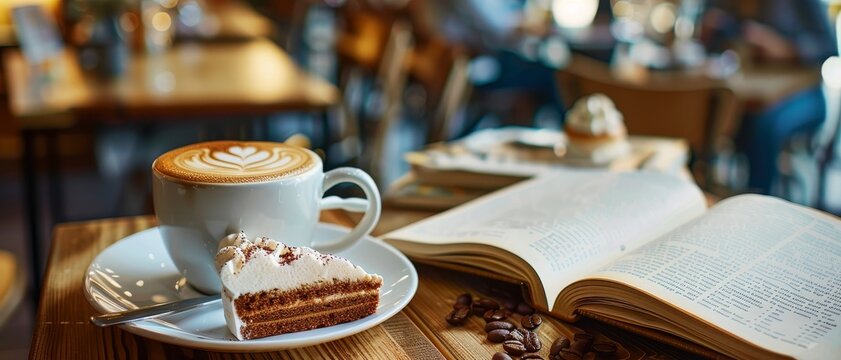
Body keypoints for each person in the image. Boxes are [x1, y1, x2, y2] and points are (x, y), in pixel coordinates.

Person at [702, 0, 837, 194]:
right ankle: (709, 194)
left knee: (765, 125)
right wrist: (715, 28)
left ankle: (759, 200)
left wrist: (787, 49)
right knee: (711, 115)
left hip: (803, 92)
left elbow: (828, 49)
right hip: (754, 89)